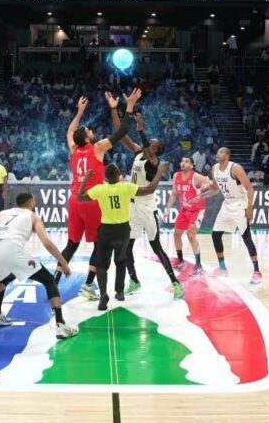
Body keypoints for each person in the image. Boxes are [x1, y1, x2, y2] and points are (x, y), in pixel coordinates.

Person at [59, 89, 141, 300]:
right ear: (87, 138)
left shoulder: (74, 148)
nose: (91, 131)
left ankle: (54, 281)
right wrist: (127, 107)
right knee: (99, 244)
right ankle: (88, 285)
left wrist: (79, 113)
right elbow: (122, 131)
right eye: (89, 130)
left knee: (72, 243)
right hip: (91, 200)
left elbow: (70, 132)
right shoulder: (97, 147)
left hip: (74, 199)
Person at [0, 193, 78, 339]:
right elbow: (47, 243)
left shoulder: (4, 212)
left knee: (4, 278)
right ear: (32, 202)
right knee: (49, 280)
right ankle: (60, 325)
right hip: (12, 250)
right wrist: (63, 262)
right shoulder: (33, 216)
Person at [110, 110, 182, 299]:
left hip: (147, 208)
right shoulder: (138, 153)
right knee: (126, 247)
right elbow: (121, 135)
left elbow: (148, 150)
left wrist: (141, 129)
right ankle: (134, 280)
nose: (149, 143)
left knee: (156, 246)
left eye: (153, 143)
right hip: (132, 206)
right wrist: (114, 111)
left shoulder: (153, 162)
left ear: (156, 150)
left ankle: (175, 282)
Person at [77, 161, 167, 310]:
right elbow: (150, 189)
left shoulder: (100, 189)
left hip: (106, 231)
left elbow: (80, 197)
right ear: (119, 176)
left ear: (105, 178)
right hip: (123, 230)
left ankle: (104, 294)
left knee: (102, 265)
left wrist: (86, 177)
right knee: (121, 261)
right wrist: (160, 171)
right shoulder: (126, 187)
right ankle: (119, 292)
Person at [194, 147, 263, 284]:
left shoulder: (235, 168)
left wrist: (250, 207)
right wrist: (200, 197)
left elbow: (249, 187)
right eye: (217, 152)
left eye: (221, 152)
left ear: (227, 155)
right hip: (227, 204)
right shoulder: (215, 168)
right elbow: (215, 189)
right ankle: (222, 268)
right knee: (215, 235)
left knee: (246, 236)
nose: (218, 153)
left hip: (240, 204)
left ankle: (257, 271)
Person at [167, 156, 211, 276]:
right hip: (184, 209)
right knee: (177, 234)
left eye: (186, 162)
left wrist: (205, 187)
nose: (183, 163)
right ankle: (180, 260)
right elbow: (174, 194)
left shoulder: (196, 177)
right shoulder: (176, 176)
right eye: (182, 161)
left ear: (191, 165)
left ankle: (198, 265)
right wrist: (167, 209)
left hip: (197, 210)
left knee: (191, 235)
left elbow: (212, 186)